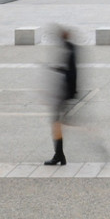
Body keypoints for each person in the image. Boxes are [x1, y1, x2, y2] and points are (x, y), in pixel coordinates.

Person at [44, 27, 78, 166]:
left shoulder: (68, 50)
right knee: (57, 124)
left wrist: (68, 93)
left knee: (56, 124)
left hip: (63, 95)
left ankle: (59, 155)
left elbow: (71, 73)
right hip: (64, 94)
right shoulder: (71, 48)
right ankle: (59, 155)